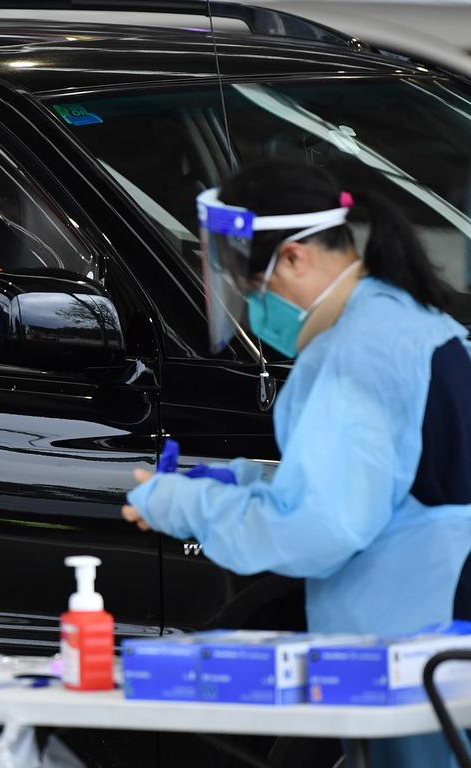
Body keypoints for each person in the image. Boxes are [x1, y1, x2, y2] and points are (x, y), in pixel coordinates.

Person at [122, 160, 471, 767]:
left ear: (292, 259)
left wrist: (188, 507)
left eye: (249, 283)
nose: (251, 302)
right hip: (440, 652)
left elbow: (321, 527)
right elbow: (395, 486)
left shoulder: (349, 358)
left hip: (416, 657)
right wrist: (243, 482)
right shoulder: (408, 320)